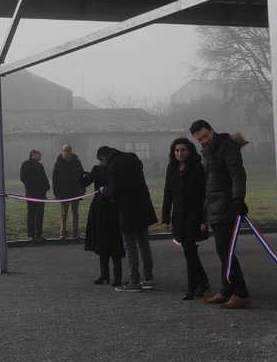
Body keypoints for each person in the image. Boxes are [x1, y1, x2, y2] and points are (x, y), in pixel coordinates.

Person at [191, 120, 251, 309]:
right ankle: (227, 290)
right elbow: (210, 185)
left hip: (228, 206)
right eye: (199, 139)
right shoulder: (207, 151)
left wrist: (238, 198)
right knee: (222, 251)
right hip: (215, 207)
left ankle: (240, 293)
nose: (203, 141)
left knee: (225, 250)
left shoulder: (226, 147)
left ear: (212, 129)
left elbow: (237, 174)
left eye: (205, 136)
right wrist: (205, 214)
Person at [98, 146, 158, 292]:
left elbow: (114, 192)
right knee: (144, 244)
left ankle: (134, 280)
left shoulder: (112, 167)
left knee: (130, 245)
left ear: (104, 158)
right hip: (143, 205)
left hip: (127, 210)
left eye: (101, 161)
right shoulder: (132, 157)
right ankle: (148, 278)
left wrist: (103, 190)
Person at [161, 137, 210, 300]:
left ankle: (192, 286)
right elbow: (168, 193)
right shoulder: (172, 168)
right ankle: (202, 281)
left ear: (189, 151)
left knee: (189, 251)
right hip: (178, 216)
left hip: (194, 215)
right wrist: (165, 218)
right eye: (176, 150)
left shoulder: (197, 168)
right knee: (189, 251)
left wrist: (204, 219)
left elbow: (204, 195)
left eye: (182, 150)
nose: (179, 153)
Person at [82, 159, 123, 286]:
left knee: (115, 243)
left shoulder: (115, 169)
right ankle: (104, 274)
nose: (102, 161)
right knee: (101, 241)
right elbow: (84, 183)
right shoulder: (97, 169)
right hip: (99, 209)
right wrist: (84, 176)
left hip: (113, 209)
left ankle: (117, 277)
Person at [52, 144, 85, 240]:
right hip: (63, 193)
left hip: (75, 192)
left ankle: (75, 233)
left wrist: (82, 190)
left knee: (75, 213)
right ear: (61, 151)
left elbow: (81, 175)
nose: (65, 152)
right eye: (64, 150)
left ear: (71, 151)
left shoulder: (76, 162)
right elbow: (55, 179)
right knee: (63, 214)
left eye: (67, 150)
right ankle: (62, 233)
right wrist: (56, 193)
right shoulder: (58, 163)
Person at [19, 149, 49, 241]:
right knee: (38, 215)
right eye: (39, 155)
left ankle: (32, 234)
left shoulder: (26, 165)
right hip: (38, 194)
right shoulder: (37, 166)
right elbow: (44, 180)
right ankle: (37, 234)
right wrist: (45, 187)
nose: (40, 157)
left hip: (32, 193)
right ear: (34, 155)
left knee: (32, 214)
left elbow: (22, 178)